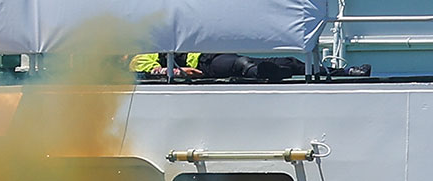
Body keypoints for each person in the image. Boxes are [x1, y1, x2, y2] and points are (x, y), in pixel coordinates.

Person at [129, 52, 369, 81]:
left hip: (211, 54)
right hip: (207, 64)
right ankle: (269, 76)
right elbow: (155, 71)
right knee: (245, 66)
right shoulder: (138, 57)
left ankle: (344, 72)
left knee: (290, 62)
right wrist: (180, 72)